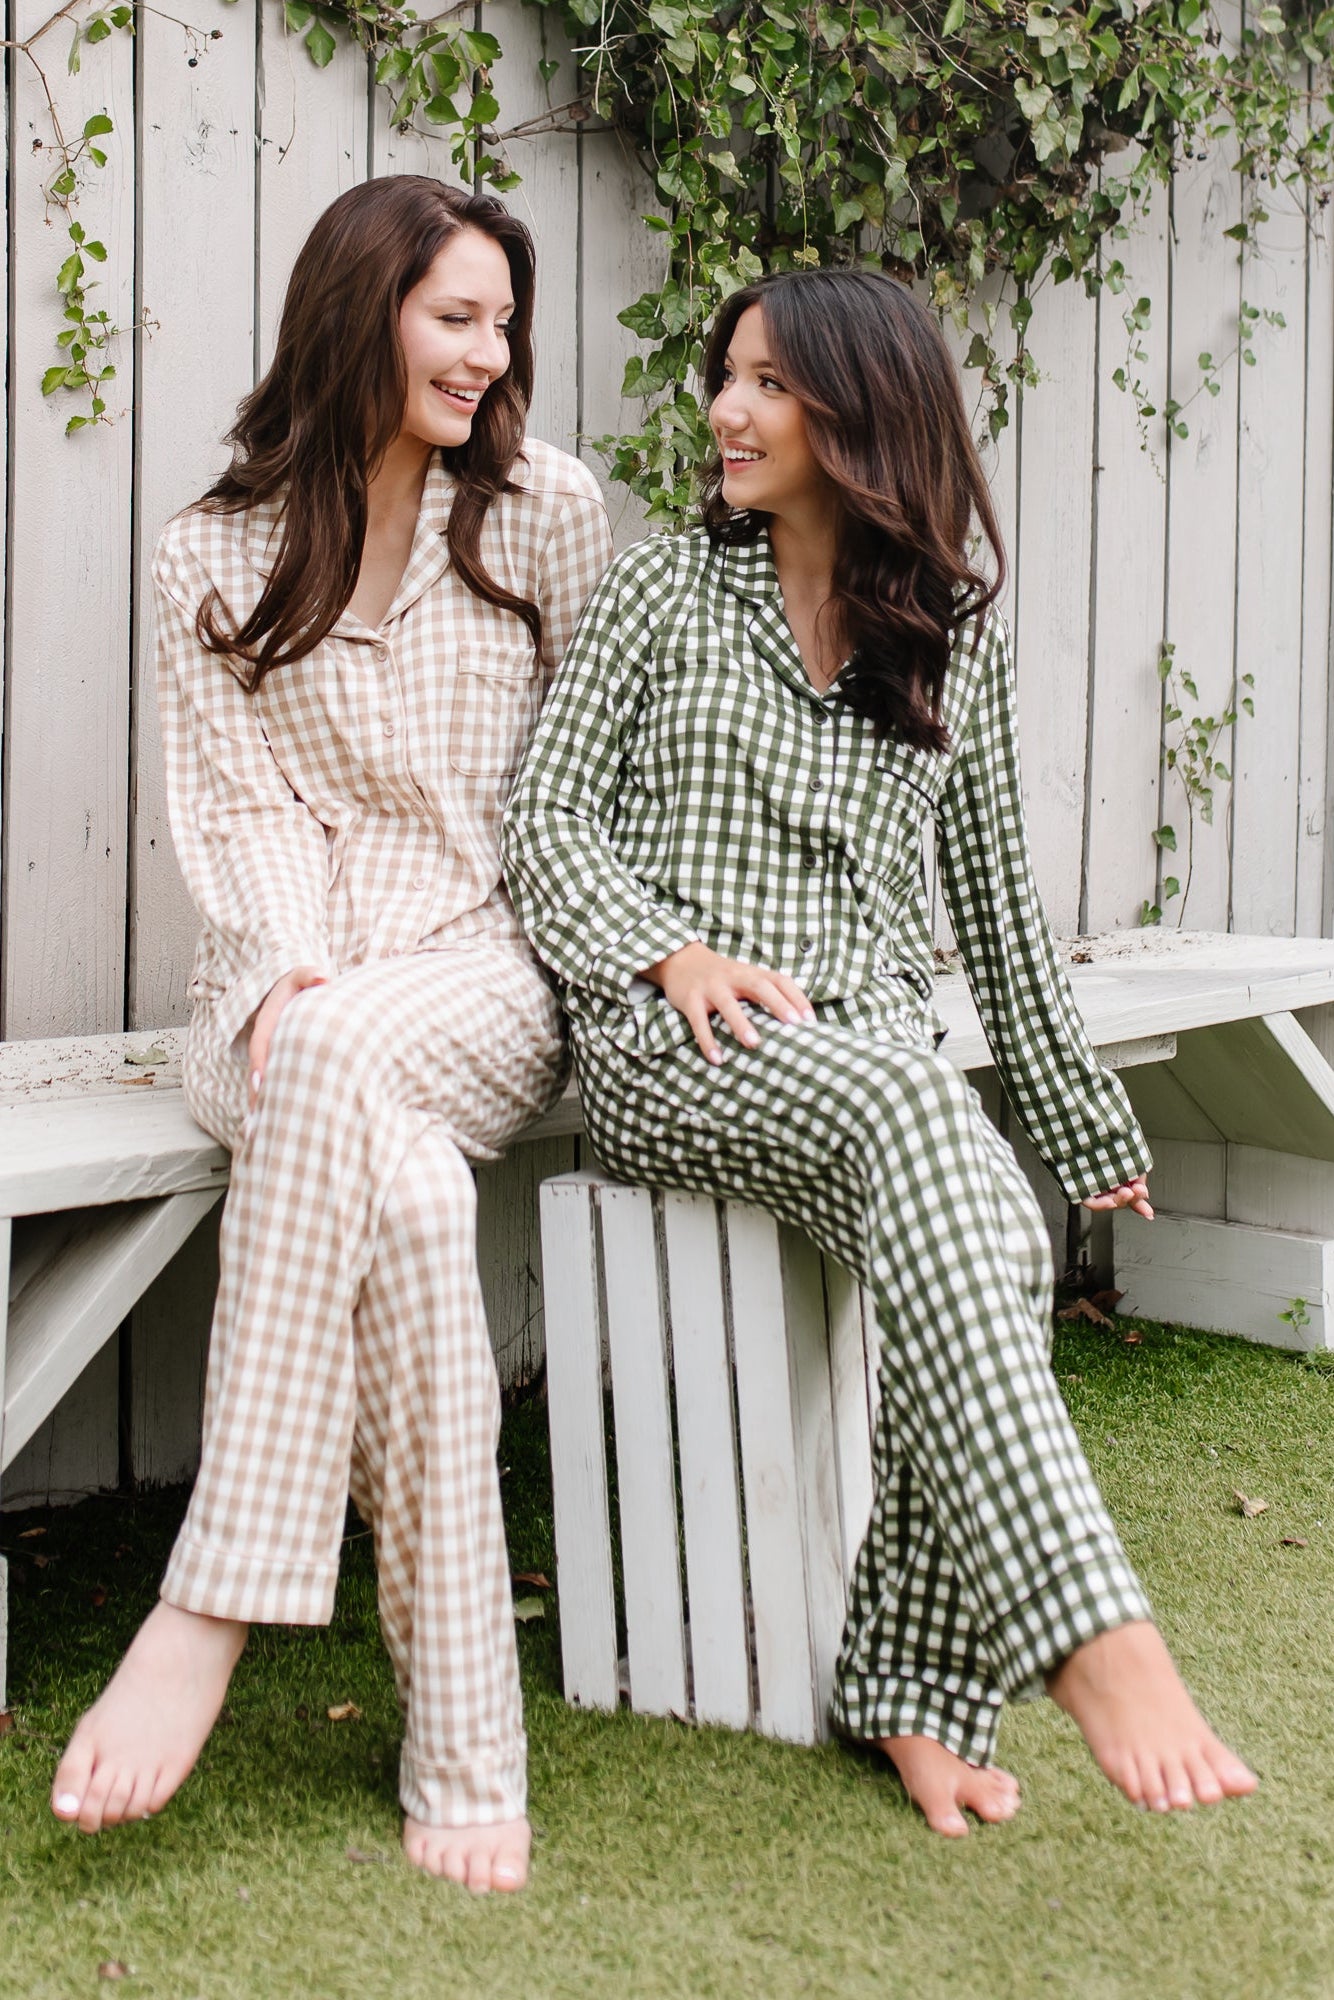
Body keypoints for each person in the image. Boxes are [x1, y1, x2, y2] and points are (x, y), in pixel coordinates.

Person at [502, 267, 1257, 1837]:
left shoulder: (939, 639)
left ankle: (907, 1695)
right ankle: (1086, 1633)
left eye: (770, 383)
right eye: (730, 374)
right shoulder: (660, 594)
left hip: (871, 1071)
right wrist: (667, 949)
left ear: (865, 414)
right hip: (677, 1047)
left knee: (983, 1221)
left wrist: (1070, 1114)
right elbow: (545, 819)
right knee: (936, 1147)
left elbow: (993, 902)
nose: (725, 406)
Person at [50, 175, 613, 1890]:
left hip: (486, 977)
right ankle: (460, 1739)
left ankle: (213, 1595)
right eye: (457, 315)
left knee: (361, 1061)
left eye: (502, 321)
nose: (489, 352)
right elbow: (234, 816)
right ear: (358, 313)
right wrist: (290, 976)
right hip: (265, 1004)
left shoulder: (546, 518)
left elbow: (576, 791)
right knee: (418, 1201)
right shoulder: (209, 550)